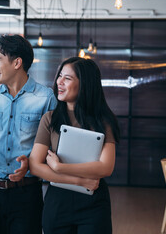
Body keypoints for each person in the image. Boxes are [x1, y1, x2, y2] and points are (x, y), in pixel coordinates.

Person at [0, 34, 57, 234]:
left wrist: (31, 162)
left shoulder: (46, 98)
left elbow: (53, 147)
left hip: (27, 193)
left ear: (17, 62)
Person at [29, 57, 120, 234]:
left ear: (84, 84)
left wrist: (59, 167)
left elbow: (105, 167)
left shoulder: (104, 121)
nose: (59, 82)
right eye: (59, 76)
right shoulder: (49, 119)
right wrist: (77, 180)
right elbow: (34, 165)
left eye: (67, 78)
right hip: (58, 202)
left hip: (93, 204)